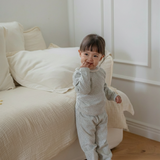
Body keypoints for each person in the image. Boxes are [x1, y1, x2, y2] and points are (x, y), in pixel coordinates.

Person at [72, 34, 122, 160]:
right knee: (88, 144)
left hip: (100, 114)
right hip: (85, 114)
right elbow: (84, 90)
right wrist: (85, 71)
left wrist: (114, 96)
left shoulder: (101, 72)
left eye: (95, 56)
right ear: (80, 53)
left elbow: (103, 88)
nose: (90, 58)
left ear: (101, 57)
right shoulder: (78, 73)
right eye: (86, 54)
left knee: (103, 142)